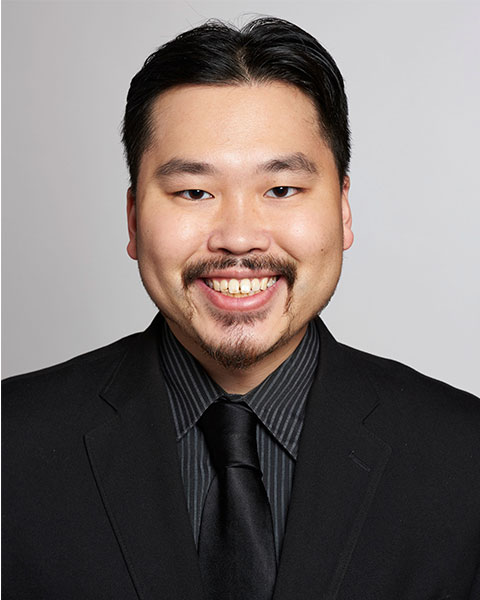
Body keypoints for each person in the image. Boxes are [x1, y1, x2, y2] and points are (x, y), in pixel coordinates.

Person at [3, 16, 479, 600]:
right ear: (133, 219)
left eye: (281, 189)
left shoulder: (465, 459)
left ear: (343, 209)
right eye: (194, 192)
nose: (238, 238)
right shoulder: (12, 447)